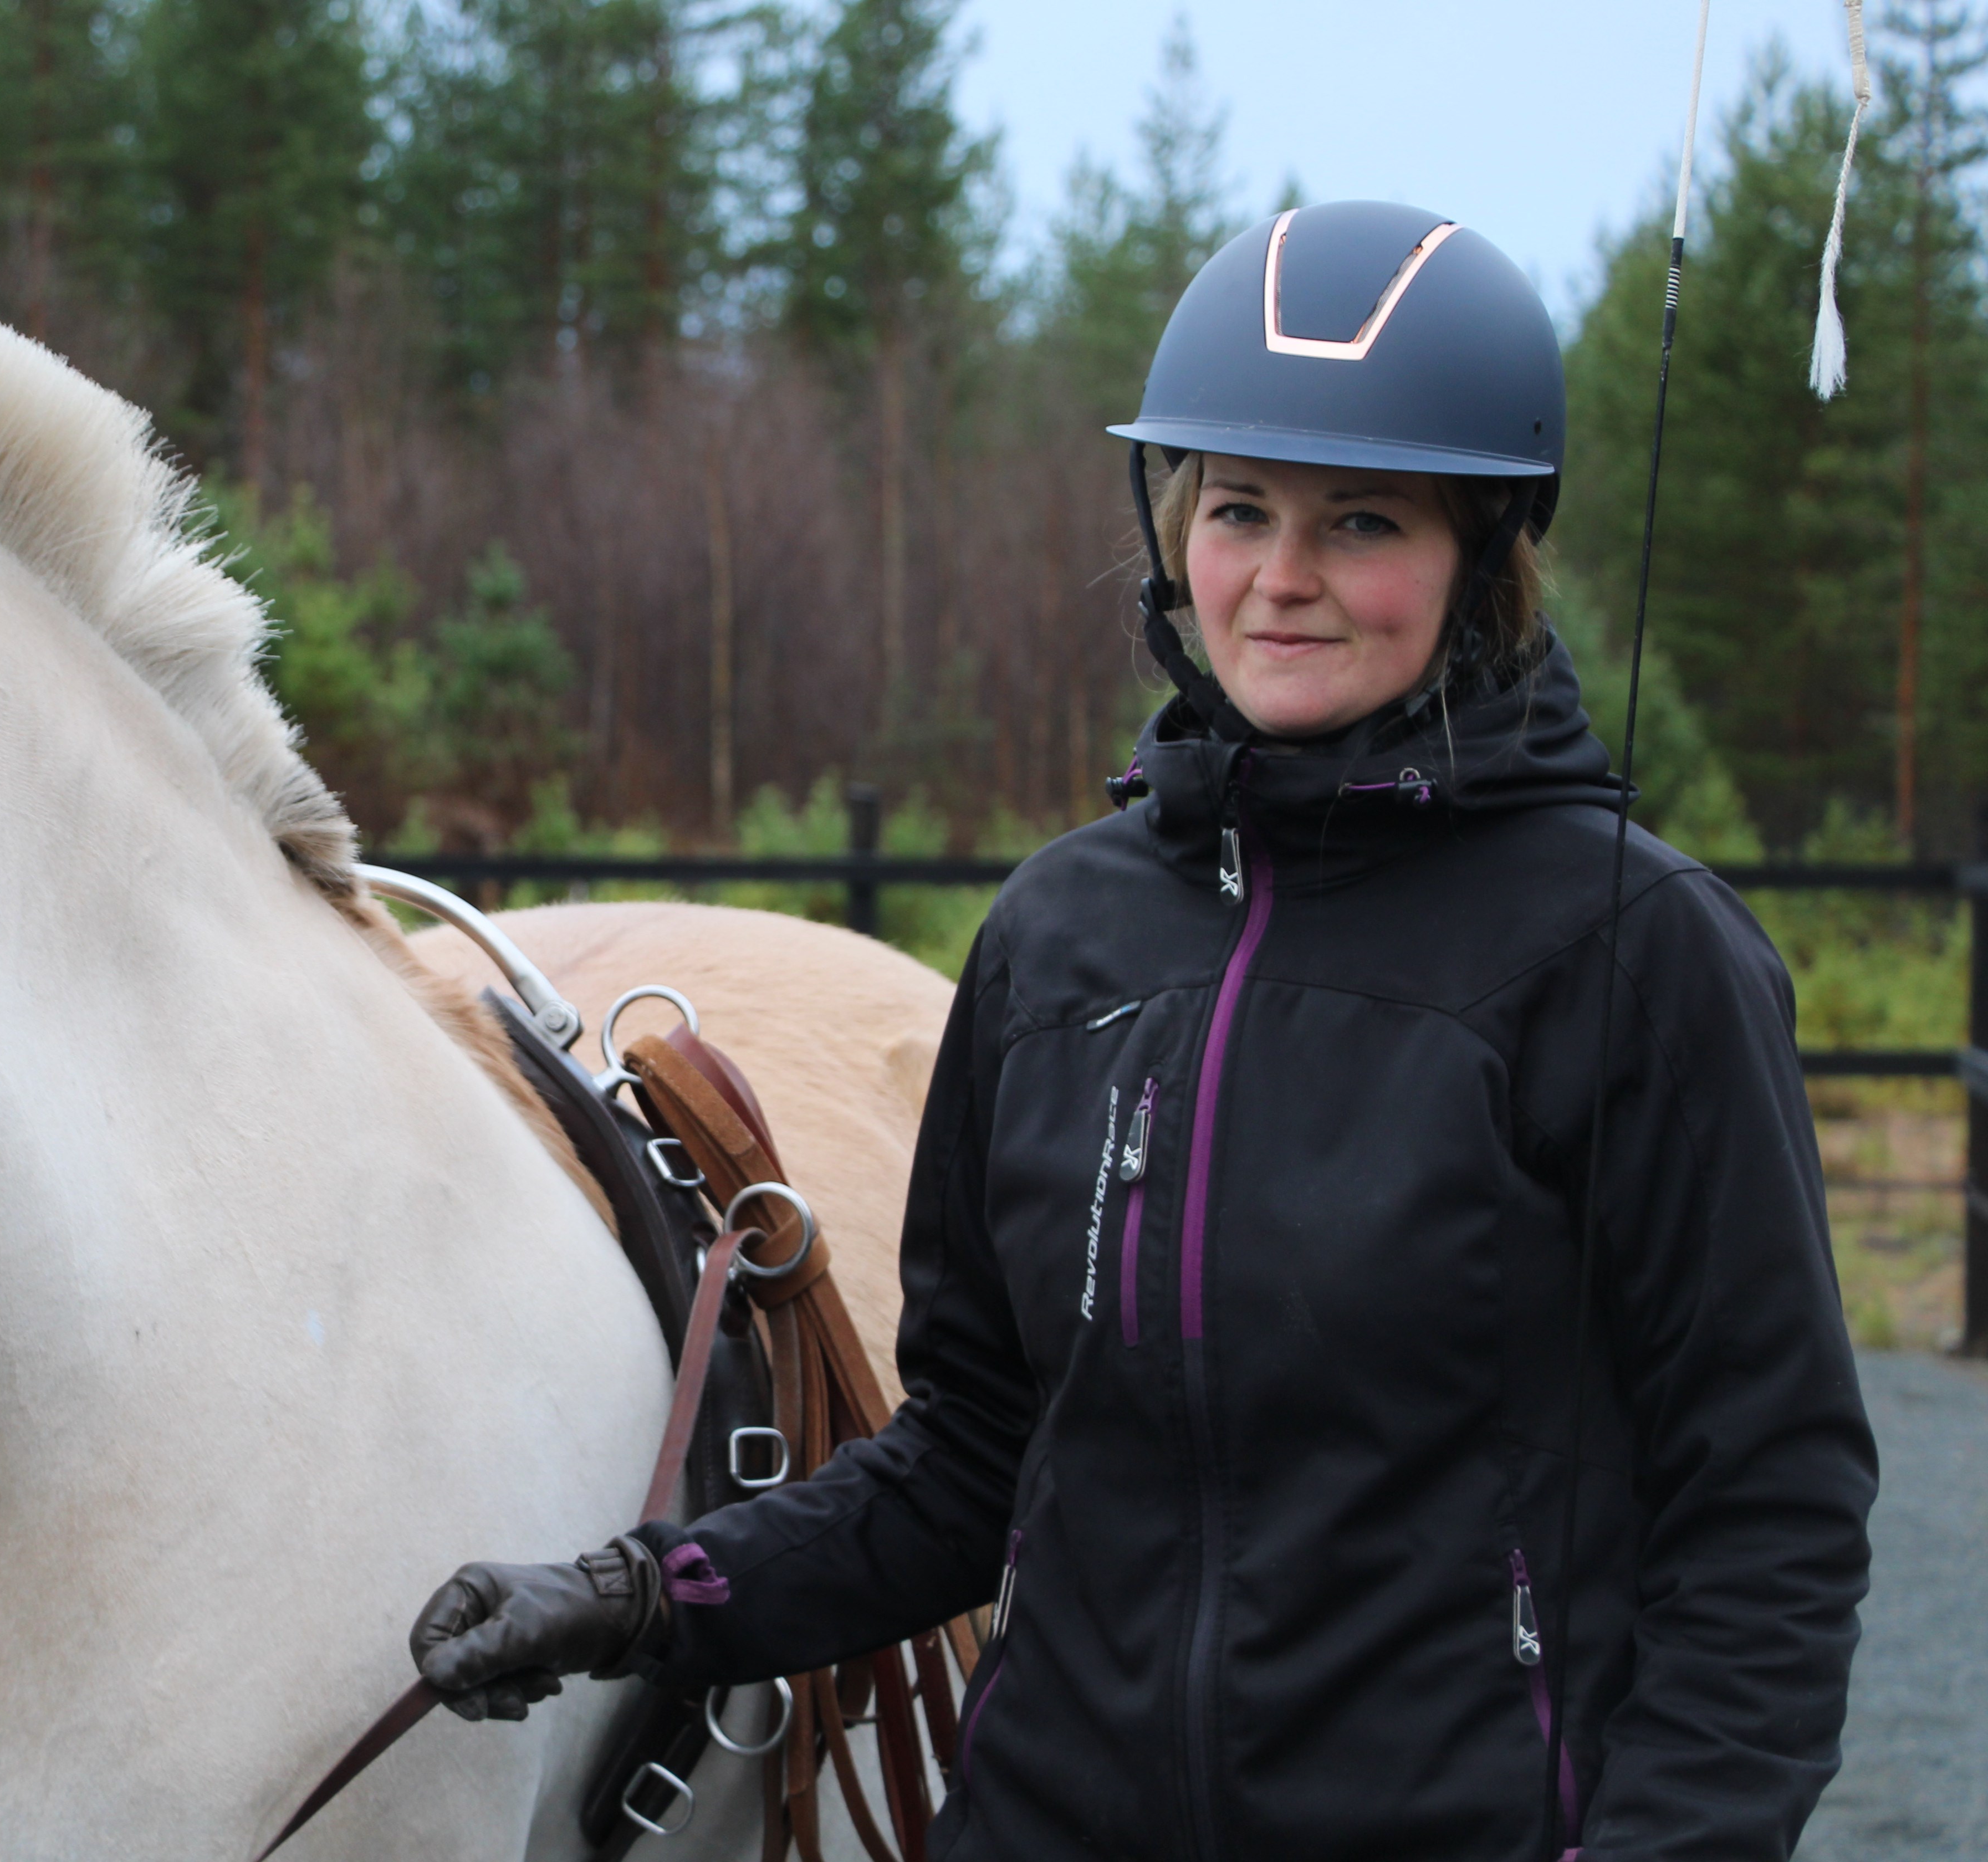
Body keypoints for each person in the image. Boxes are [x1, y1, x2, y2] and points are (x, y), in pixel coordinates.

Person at [408, 201, 1877, 1860]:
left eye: (1365, 519)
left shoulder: (1635, 954)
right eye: (1240, 508)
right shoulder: (1059, 937)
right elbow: (972, 1462)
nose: (1284, 577)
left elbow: (1770, 1516)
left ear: (1481, 557)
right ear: (1174, 525)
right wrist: (640, 1594)